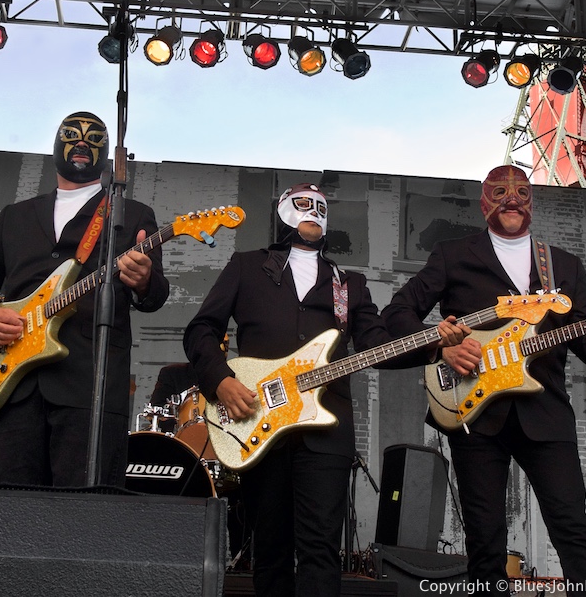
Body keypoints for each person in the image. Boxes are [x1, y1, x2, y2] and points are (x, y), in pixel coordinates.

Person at [183, 183, 464, 597]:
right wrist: (221, 381)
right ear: (283, 211)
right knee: (272, 550)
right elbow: (201, 331)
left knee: (320, 550)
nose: (313, 210)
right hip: (258, 423)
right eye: (302, 203)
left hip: (327, 429)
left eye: (320, 205)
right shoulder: (245, 266)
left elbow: (377, 346)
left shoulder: (348, 282)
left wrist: (433, 340)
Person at [381, 165, 586, 595]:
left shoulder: (562, 264)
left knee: (571, 526)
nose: (511, 197)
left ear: (531, 202)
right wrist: (440, 347)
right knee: (485, 538)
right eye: (499, 191)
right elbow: (397, 314)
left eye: (521, 191)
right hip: (475, 411)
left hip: (545, 413)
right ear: (484, 201)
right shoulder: (454, 255)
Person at [0, 111, 169, 488]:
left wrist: (144, 281)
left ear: (106, 153)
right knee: (14, 512)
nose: (83, 143)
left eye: (94, 137)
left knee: (83, 517)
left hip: (90, 386)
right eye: (72, 134)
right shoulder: (15, 216)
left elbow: (154, 296)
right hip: (14, 386)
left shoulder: (131, 214)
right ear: (56, 144)